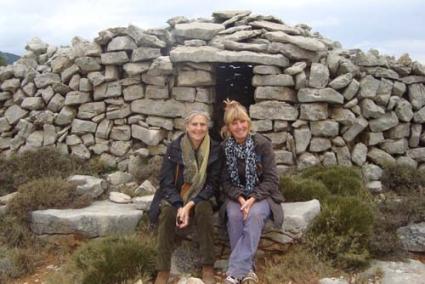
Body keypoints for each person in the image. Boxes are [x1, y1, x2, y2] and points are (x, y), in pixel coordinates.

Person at [148, 110, 221, 284]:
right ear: (187, 126)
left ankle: (208, 266)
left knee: (204, 210)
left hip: (203, 195)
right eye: (194, 124)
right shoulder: (174, 147)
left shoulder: (216, 148)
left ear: (207, 127)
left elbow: (213, 183)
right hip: (178, 195)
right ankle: (163, 270)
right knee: (167, 214)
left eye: (202, 124)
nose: (198, 128)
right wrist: (179, 204)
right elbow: (166, 181)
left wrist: (191, 205)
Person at [220, 100, 284, 284]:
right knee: (233, 215)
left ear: (248, 122)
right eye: (234, 123)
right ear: (228, 127)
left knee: (254, 215)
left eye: (243, 121)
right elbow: (224, 181)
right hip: (236, 196)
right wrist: (241, 200)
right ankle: (248, 271)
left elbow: (272, 180)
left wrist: (252, 199)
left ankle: (234, 272)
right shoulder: (225, 148)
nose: (240, 126)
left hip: (262, 195)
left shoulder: (262, 144)